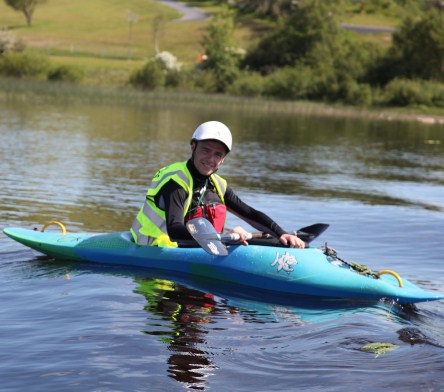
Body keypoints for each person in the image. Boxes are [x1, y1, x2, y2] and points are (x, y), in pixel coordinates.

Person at [131, 121, 305, 249]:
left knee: (270, 241)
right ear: (193, 146)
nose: (210, 159)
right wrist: (223, 237)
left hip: (194, 246)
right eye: (205, 150)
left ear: (223, 159)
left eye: (217, 154)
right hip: (153, 249)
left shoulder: (218, 185)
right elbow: (175, 230)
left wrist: (281, 233)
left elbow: (250, 213)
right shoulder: (176, 182)